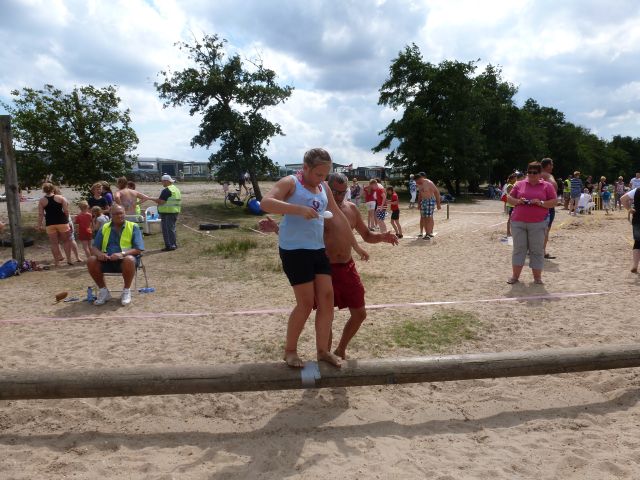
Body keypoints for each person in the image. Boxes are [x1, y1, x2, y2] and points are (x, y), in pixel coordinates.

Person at [259, 172, 398, 360]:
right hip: (325, 269)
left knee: (360, 313)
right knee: (326, 315)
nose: (340, 196)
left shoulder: (351, 209)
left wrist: (381, 237)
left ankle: (341, 349)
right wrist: (277, 229)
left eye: (343, 192)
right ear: (326, 187)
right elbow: (299, 236)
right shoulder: (316, 206)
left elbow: (366, 235)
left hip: (347, 267)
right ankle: (323, 355)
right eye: (335, 192)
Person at [260, 148, 357, 369]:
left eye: (325, 175)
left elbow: (339, 216)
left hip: (317, 249)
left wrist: (356, 245)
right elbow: (266, 202)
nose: (322, 180)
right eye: (319, 174)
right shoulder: (290, 182)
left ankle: (323, 351)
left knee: (327, 299)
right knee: (305, 303)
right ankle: (290, 351)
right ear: (305, 168)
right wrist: (297, 209)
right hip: (294, 251)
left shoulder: (323, 187)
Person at [505, 161, 557, 284]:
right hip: (518, 222)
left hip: (538, 223)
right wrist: (518, 201)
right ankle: (515, 277)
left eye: (535, 172)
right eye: (529, 172)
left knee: (537, 250)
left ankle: (537, 278)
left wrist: (541, 203)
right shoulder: (519, 184)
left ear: (540, 174)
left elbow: (554, 202)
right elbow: (509, 199)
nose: (532, 174)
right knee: (519, 249)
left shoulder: (547, 186)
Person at [88, 205, 145, 306]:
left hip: (126, 262)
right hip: (107, 260)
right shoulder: (104, 227)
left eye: (121, 213)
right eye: (116, 214)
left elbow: (139, 249)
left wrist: (122, 254)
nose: (119, 216)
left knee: (129, 259)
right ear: (111, 215)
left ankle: (126, 291)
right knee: (91, 260)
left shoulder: (133, 227)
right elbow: (94, 248)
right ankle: (104, 292)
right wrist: (100, 254)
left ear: (124, 213)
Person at [37, 182, 72, 267]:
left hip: (50, 223)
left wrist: (39, 225)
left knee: (54, 243)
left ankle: (57, 262)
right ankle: (69, 259)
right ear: (53, 189)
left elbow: (41, 214)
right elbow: (66, 211)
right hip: (62, 222)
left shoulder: (42, 201)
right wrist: (68, 220)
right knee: (66, 241)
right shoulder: (61, 198)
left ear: (44, 191)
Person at [153, 174, 182, 251]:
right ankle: (173, 244)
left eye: (162, 181)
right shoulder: (176, 189)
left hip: (167, 212)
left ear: (166, 181)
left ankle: (170, 245)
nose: (162, 183)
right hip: (174, 211)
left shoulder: (166, 190)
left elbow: (161, 201)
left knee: (167, 229)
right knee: (172, 229)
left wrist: (152, 199)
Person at [540, 158, 558, 259]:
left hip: (534, 205)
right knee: (546, 230)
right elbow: (554, 186)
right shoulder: (548, 176)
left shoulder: (534, 175)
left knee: (534, 229)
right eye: (551, 165)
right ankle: (542, 251)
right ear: (547, 166)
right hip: (547, 205)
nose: (552, 167)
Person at [415, 171, 441, 239]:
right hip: (423, 201)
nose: (417, 183)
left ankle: (428, 234)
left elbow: (437, 192)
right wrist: (419, 204)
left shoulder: (429, 183)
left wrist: (438, 204)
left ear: (420, 178)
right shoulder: (419, 184)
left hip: (430, 200)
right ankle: (426, 233)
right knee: (424, 217)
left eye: (417, 181)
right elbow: (420, 194)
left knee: (429, 218)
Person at [620, 186, 640, 273]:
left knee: (637, 242)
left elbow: (623, 199)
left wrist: (629, 209)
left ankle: (635, 265)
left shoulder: (637, 190)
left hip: (638, 219)